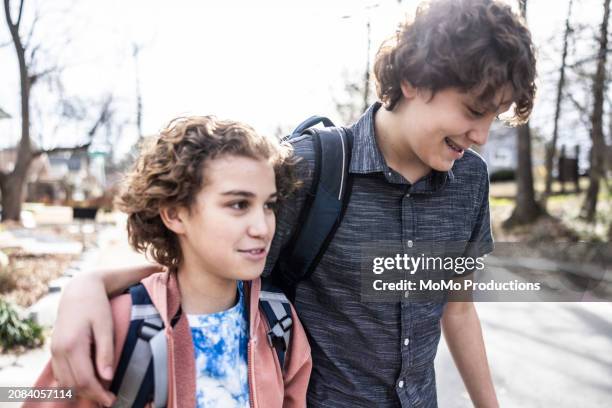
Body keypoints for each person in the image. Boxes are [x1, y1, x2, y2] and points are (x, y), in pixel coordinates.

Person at [49, 0, 536, 406]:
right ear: (414, 80)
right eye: (474, 111)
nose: (481, 136)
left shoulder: (469, 181)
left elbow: (458, 308)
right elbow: (199, 258)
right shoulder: (310, 168)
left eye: (493, 117)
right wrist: (89, 286)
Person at [32, 117, 312, 407]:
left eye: (268, 205)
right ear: (174, 214)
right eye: (239, 204)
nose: (263, 227)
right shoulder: (120, 322)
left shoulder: (277, 319)